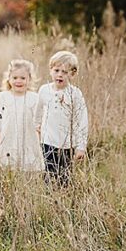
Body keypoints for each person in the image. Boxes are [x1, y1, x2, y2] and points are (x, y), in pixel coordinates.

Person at [38, 50, 88, 186]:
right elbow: (37, 112)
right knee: (48, 174)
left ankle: (63, 199)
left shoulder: (75, 94)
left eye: (65, 72)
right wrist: (36, 129)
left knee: (64, 177)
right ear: (50, 71)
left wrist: (81, 146)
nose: (60, 74)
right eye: (57, 70)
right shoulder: (44, 90)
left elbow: (81, 120)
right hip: (47, 141)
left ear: (72, 74)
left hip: (67, 144)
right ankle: (48, 200)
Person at [0, 59, 44, 172]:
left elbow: (40, 118)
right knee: (7, 168)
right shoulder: (4, 97)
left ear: (29, 79)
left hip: (28, 138)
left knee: (28, 167)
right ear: (8, 79)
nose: (19, 81)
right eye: (15, 78)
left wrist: (40, 128)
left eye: (23, 78)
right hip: (7, 137)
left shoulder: (34, 98)